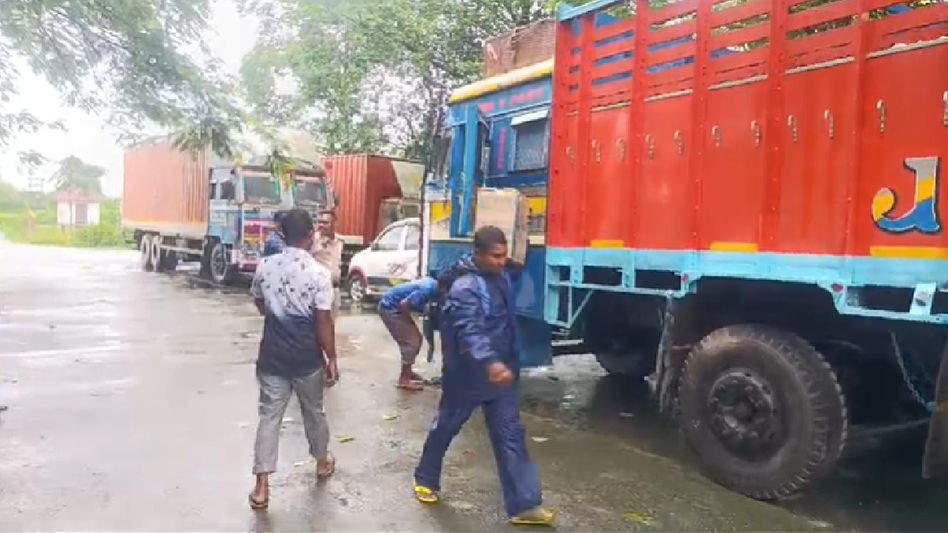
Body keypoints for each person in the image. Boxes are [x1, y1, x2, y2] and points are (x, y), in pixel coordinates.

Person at [413, 226, 554, 526]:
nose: (502, 261)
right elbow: (469, 332)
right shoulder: (465, 288)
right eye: (496, 256)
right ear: (478, 254)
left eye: (504, 255)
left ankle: (524, 505)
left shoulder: (499, 275)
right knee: (447, 427)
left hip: (501, 377)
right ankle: (425, 477)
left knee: (510, 436)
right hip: (467, 377)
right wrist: (490, 363)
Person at [248, 209, 340, 510]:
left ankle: (261, 486)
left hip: (272, 354)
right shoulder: (318, 274)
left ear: (281, 235)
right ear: (311, 235)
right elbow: (323, 320)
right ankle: (323, 460)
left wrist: (275, 315)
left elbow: (259, 300)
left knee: (269, 417)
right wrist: (332, 357)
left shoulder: (265, 266)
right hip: (306, 357)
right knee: (314, 410)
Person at [378, 276, 438, 391]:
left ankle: (408, 372)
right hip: (390, 307)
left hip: (393, 304)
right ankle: (404, 379)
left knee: (417, 339)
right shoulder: (429, 289)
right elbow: (404, 304)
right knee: (411, 342)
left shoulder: (432, 285)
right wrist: (408, 321)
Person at [312, 210, 345, 315]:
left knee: (331, 324)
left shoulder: (340, 241)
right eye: (319, 222)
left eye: (325, 222)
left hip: (334, 288)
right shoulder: (312, 240)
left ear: (335, 223)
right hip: (318, 290)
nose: (321, 225)